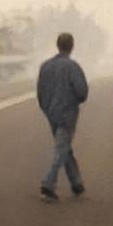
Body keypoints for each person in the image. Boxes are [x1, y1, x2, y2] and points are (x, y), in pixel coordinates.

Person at [36, 32, 89, 202]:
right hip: (67, 113)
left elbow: (40, 92)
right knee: (61, 149)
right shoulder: (73, 67)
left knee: (64, 147)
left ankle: (76, 182)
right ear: (71, 46)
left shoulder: (45, 66)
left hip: (51, 112)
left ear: (57, 45)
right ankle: (48, 183)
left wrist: (47, 108)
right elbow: (82, 92)